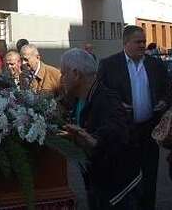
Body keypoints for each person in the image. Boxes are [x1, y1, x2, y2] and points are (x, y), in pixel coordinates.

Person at [97, 25, 172, 210]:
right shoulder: (109, 65)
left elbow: (168, 89)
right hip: (123, 131)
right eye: (138, 42)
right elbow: (100, 94)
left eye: (144, 42)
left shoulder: (155, 65)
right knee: (126, 175)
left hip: (149, 130)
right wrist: (117, 106)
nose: (142, 45)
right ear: (126, 43)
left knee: (149, 175)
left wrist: (164, 101)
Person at [59, 49, 141, 209]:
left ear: (76, 74)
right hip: (97, 182)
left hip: (117, 191)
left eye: (63, 73)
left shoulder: (106, 99)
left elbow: (117, 129)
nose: (61, 79)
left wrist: (95, 140)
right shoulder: (79, 99)